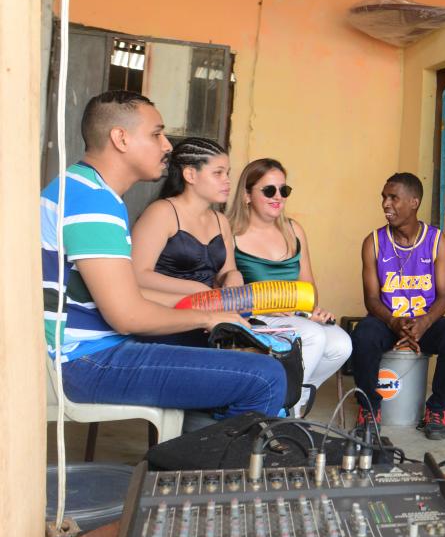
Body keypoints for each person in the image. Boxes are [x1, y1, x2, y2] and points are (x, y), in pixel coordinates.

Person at [41, 90, 286, 416]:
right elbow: (127, 316)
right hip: (85, 360)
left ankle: (197, 451)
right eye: (156, 134)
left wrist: (212, 310)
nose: (167, 146)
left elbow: (128, 297)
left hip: (93, 349)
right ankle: (208, 463)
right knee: (264, 376)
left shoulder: (85, 188)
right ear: (121, 138)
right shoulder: (92, 202)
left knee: (231, 351)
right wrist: (208, 315)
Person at [227, 158, 351, 417]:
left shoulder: (293, 230)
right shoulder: (231, 232)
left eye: (284, 190)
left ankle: (290, 400)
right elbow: (227, 290)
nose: (278, 197)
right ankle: (285, 416)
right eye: (269, 190)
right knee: (313, 336)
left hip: (293, 315)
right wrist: (282, 309)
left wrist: (309, 312)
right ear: (247, 195)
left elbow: (308, 287)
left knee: (341, 343)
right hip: (255, 317)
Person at [350, 173, 445, 439]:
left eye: (394, 198)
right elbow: (371, 298)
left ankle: (437, 409)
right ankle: (369, 407)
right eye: (384, 197)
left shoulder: (437, 241)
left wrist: (424, 324)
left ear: (414, 202)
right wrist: (393, 322)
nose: (385, 204)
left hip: (424, 323)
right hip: (387, 322)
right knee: (363, 334)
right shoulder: (374, 242)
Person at [131, 137, 242, 312]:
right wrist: (196, 289)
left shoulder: (221, 221)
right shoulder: (162, 212)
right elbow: (137, 274)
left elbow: (227, 272)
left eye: (227, 173)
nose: (227, 180)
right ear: (190, 174)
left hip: (211, 313)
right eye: (218, 173)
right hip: (165, 313)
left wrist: (234, 275)